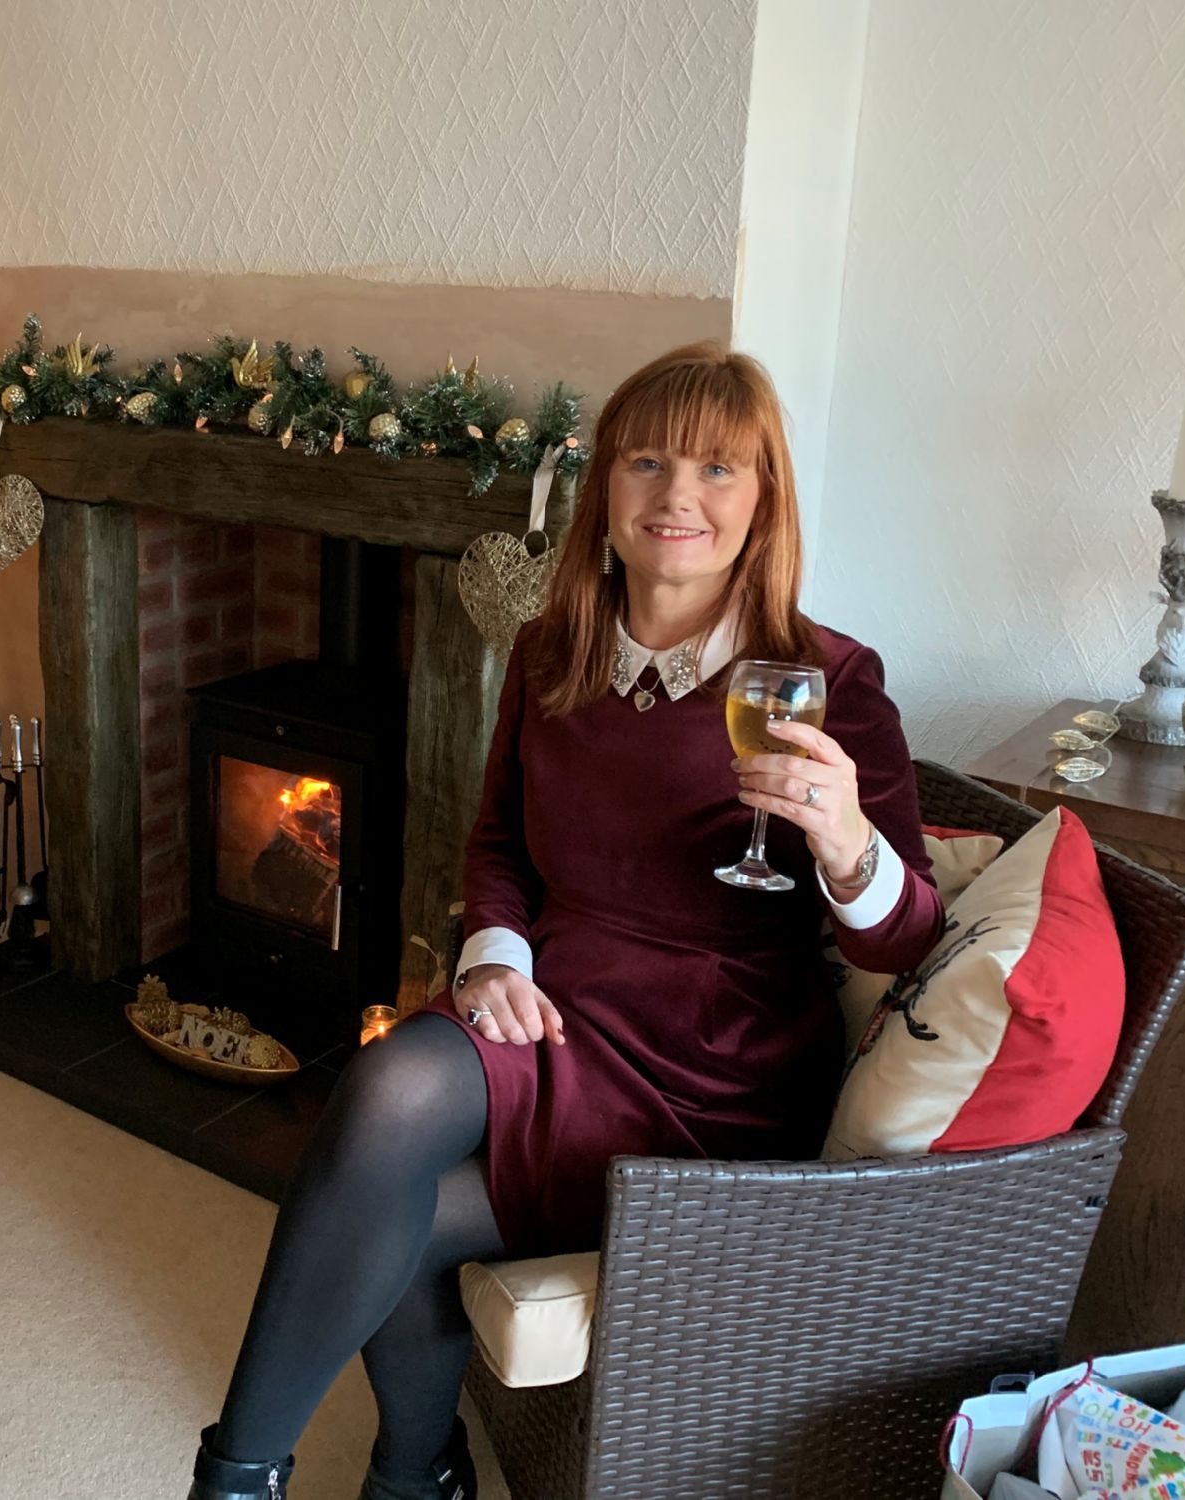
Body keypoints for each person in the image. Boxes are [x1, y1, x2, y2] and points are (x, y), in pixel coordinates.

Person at [183, 342, 946, 1500]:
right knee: (388, 1093)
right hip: (552, 1010)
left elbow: (905, 942)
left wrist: (845, 839)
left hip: (713, 1063)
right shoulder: (551, 650)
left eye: (716, 468)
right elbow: (495, 844)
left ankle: (381, 1479)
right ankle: (283, 1475)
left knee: (397, 1212)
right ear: (605, 489)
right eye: (645, 462)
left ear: (762, 499)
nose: (676, 496)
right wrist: (493, 956)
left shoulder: (823, 678)